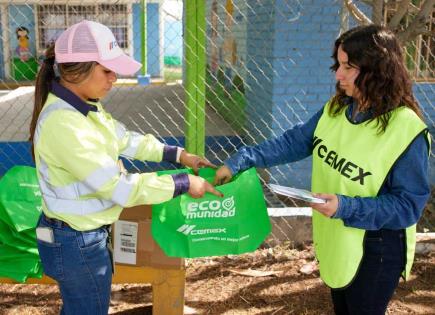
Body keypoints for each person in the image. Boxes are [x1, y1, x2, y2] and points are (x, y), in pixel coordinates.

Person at [214, 25, 430, 315]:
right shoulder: (339, 109)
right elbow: (295, 141)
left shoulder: (406, 129)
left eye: (348, 67)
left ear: (378, 70)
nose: (338, 75)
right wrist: (241, 159)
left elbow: (408, 206)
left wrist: (346, 206)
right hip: (339, 237)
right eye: (338, 65)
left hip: (377, 246)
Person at [29, 20, 221, 315]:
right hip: (76, 242)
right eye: (106, 70)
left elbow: (125, 140)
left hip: (82, 238)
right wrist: (183, 183)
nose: (114, 78)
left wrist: (178, 155)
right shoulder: (64, 124)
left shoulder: (85, 107)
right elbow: (119, 189)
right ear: (78, 70)